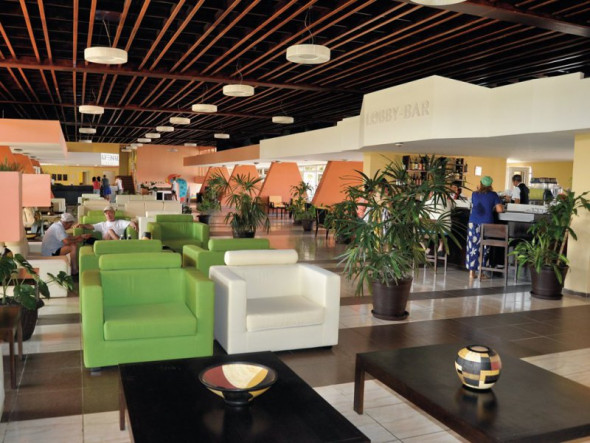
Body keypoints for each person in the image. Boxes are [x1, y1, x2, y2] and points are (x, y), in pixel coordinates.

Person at [466, 176, 504, 279]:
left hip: (473, 222)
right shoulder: (493, 195)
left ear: (481, 183)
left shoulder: (474, 194)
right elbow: (500, 210)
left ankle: (471, 273)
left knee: (472, 247)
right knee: (485, 247)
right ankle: (481, 272)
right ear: (490, 184)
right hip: (487, 224)